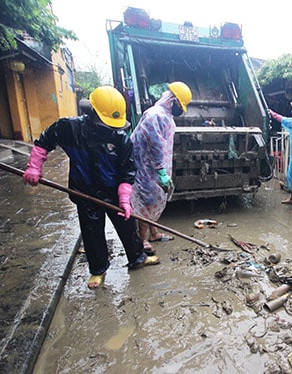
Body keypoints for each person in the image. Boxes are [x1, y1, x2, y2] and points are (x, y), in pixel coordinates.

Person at [23, 86, 159, 290]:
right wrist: (34, 166)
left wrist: (124, 199)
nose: (111, 129)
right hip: (84, 191)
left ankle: (137, 257)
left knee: (126, 226)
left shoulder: (120, 138)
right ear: (92, 114)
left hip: (114, 192)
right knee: (92, 232)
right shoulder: (69, 129)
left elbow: (127, 171)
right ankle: (98, 270)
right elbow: (44, 142)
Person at [130, 82, 192, 255]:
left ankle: (154, 233)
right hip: (147, 168)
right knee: (146, 201)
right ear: (172, 100)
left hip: (156, 168)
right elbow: (155, 145)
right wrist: (160, 170)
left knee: (156, 198)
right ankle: (143, 240)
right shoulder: (154, 115)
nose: (180, 109)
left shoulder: (165, 115)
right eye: (180, 105)